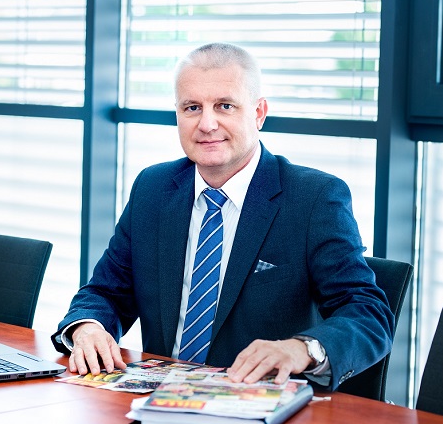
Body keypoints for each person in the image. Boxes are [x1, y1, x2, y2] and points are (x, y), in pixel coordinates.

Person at [52, 42, 394, 390]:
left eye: (225, 106)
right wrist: (88, 326)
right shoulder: (153, 188)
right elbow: (106, 291)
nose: (207, 124)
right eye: (192, 107)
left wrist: (301, 348)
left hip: (255, 399)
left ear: (258, 113)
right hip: (157, 398)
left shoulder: (314, 198)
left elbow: (368, 313)